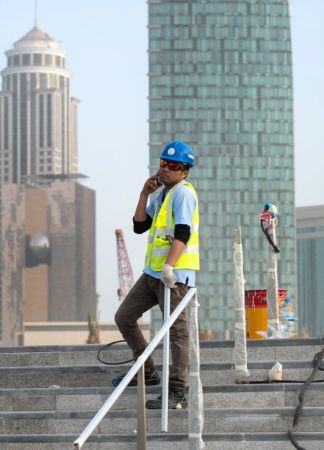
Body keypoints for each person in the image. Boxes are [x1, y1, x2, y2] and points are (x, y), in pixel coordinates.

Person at [113, 140, 199, 409]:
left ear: (184, 172)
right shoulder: (162, 195)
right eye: (163, 163)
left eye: (173, 166)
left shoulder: (183, 193)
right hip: (152, 274)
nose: (166, 169)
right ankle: (147, 372)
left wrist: (170, 267)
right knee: (124, 316)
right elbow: (140, 226)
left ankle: (177, 391)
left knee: (176, 331)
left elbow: (183, 233)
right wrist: (144, 194)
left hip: (173, 275)